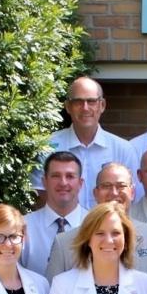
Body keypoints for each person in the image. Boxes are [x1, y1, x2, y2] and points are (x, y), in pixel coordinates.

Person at [45, 163, 147, 281]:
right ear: (95, 193)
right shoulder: (64, 244)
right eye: (106, 186)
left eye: (121, 186)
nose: (114, 192)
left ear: (132, 192)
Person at [34, 76, 139, 205]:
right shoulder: (48, 147)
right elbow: (40, 198)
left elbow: (133, 199)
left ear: (102, 105)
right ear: (68, 107)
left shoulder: (123, 150)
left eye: (91, 101)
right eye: (78, 102)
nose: (85, 108)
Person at [22, 152, 88, 275]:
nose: (63, 183)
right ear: (44, 182)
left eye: (70, 176)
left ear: (80, 183)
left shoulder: (95, 225)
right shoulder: (23, 226)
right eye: (56, 176)